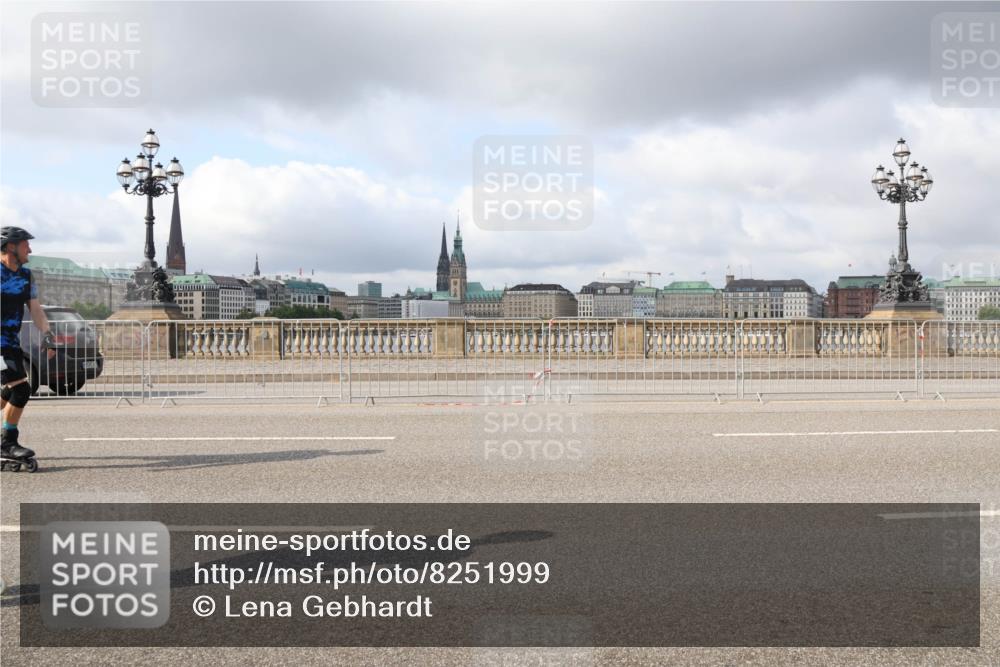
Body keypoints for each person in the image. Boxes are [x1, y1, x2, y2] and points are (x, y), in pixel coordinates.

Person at [1, 226, 54, 467]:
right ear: (11, 246)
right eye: (25, 245)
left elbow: (35, 309)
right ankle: (8, 443)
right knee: (21, 389)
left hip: (10, 341)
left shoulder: (25, 276)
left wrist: (48, 335)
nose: (29, 249)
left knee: (9, 391)